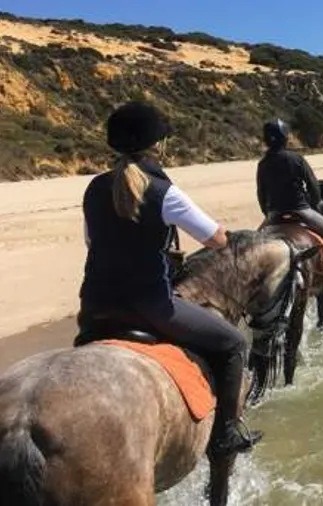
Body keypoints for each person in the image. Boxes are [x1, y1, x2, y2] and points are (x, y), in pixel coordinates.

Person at [77, 100, 262, 457]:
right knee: (234, 344)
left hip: (94, 305)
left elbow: (91, 241)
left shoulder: (94, 188)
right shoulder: (164, 191)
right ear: (157, 144)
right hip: (150, 307)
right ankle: (226, 434)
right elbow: (217, 238)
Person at [256, 118, 323, 293]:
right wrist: (316, 204)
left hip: (274, 215)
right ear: (285, 137)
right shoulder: (296, 159)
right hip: (301, 211)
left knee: (253, 245)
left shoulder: (262, 164)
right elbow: (314, 186)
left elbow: (261, 193)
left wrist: (268, 214)